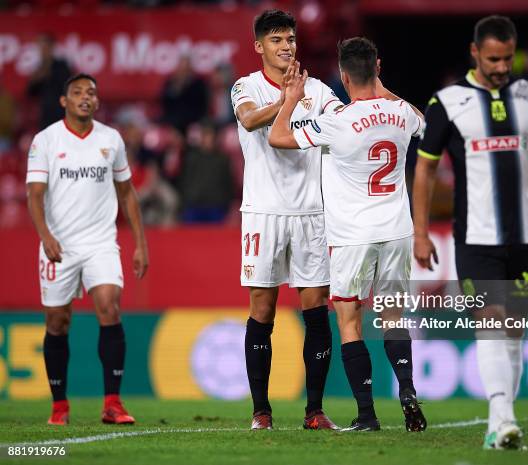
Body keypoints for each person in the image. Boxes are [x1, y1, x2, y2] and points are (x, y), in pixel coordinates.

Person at [412, 15, 528, 449]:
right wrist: (420, 232)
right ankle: (502, 418)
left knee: (514, 327)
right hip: (475, 238)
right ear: (475, 53)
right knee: (491, 322)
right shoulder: (448, 101)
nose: (501, 67)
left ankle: (501, 424)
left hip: (526, 237)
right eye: (493, 58)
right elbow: (425, 171)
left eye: (507, 58)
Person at [269, 37, 427, 433]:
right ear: (378, 68)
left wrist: (291, 97)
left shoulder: (336, 121)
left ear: (342, 76)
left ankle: (367, 415)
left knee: (350, 320)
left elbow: (278, 137)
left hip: (353, 236)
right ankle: (407, 390)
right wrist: (382, 86)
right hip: (397, 232)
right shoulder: (402, 114)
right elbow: (424, 119)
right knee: (393, 316)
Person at [231, 9, 343, 430]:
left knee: (316, 311)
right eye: (277, 39)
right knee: (263, 309)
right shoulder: (247, 86)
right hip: (263, 213)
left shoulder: (319, 90)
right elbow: (247, 118)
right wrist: (285, 102)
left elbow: (343, 123)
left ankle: (314, 411)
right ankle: (262, 411)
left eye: (291, 39)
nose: (286, 46)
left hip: (311, 213)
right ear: (259, 46)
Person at [26, 73, 149, 426]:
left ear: (97, 101)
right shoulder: (45, 140)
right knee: (57, 320)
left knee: (109, 306)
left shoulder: (111, 139)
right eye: (77, 92)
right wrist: (45, 235)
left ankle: (113, 403)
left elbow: (127, 192)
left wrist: (140, 243)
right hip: (59, 243)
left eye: (91, 93)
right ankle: (59, 406)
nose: (85, 97)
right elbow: (35, 194)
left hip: (100, 242)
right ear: (64, 101)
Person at [27, 33, 72, 131]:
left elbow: (68, 87)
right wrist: (36, 79)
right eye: (40, 47)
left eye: (45, 46)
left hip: (61, 115)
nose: (43, 50)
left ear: (52, 47)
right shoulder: (39, 68)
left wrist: (49, 73)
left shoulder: (61, 65)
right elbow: (30, 93)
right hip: (45, 116)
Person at [160, 55, 210, 134]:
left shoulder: (198, 84)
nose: (184, 71)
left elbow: (202, 106)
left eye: (186, 69)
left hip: (193, 122)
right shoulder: (170, 83)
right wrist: (176, 88)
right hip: (173, 122)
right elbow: (164, 103)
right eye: (182, 68)